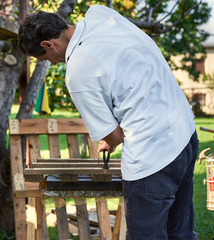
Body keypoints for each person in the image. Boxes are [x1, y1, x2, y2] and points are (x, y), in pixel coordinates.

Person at [18, 5, 199, 240]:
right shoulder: (102, 15)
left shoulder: (77, 73)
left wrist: (110, 139)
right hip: (184, 135)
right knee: (181, 233)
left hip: (152, 155)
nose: (52, 63)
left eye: (45, 58)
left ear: (47, 44)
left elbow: (115, 136)